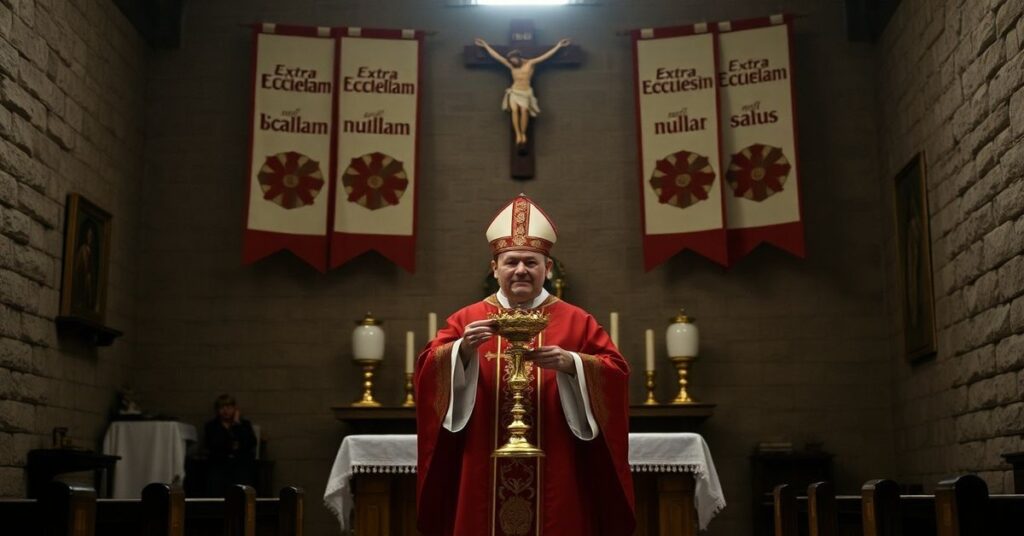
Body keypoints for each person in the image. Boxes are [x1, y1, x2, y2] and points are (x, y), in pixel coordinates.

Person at [415, 195, 634, 536]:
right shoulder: (467, 319)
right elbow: (428, 370)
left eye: (531, 263)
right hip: (482, 456)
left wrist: (573, 364)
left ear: (548, 268)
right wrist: (461, 351)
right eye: (511, 262)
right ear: (495, 268)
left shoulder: (577, 320)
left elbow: (616, 372)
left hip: (556, 456)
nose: (520, 270)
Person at [474, 37, 571, 148]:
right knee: (515, 111)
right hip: (515, 92)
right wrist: (486, 45)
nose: (512, 62)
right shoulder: (511, 66)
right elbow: (498, 57)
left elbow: (545, 56)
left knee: (524, 111)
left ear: (518, 57)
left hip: (525, 92)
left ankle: (523, 133)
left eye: (513, 60)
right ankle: (518, 134)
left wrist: (558, 46)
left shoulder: (530, 63)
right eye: (511, 61)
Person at [203, 394, 257, 495]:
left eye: (228, 407)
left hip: (240, 464)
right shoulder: (211, 426)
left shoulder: (244, 424)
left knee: (244, 476)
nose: (225, 411)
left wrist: (236, 424)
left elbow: (250, 443)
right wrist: (232, 445)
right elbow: (214, 445)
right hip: (219, 464)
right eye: (222, 408)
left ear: (235, 409)